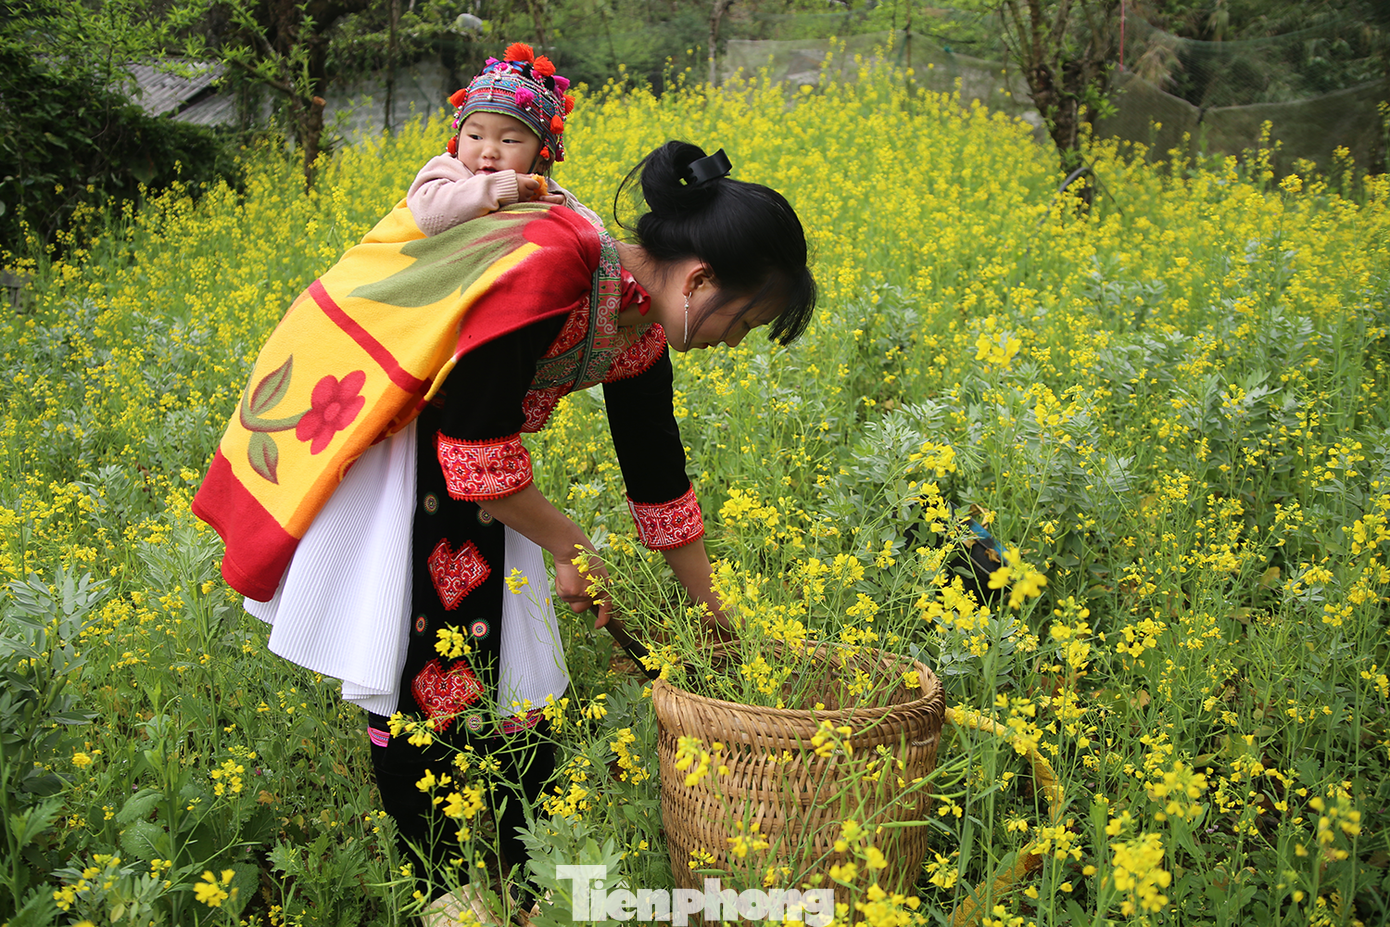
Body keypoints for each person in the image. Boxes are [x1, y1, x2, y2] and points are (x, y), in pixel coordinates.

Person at [191, 137, 816, 924]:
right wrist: (570, 544)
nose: (735, 341)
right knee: (419, 676)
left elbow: (656, 470)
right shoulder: (558, 261)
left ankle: (531, 884)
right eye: (747, 319)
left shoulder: (638, 319)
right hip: (406, 452)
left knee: (524, 678)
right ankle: (442, 888)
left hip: (488, 476)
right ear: (699, 280)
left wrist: (711, 618)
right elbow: (471, 444)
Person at [407, 43, 603, 237]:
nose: (489, 151)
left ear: (543, 159)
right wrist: (501, 188)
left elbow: (598, 231)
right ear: (457, 141)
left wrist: (564, 206)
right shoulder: (448, 172)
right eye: (475, 137)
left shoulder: (538, 188)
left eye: (509, 140)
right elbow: (427, 216)